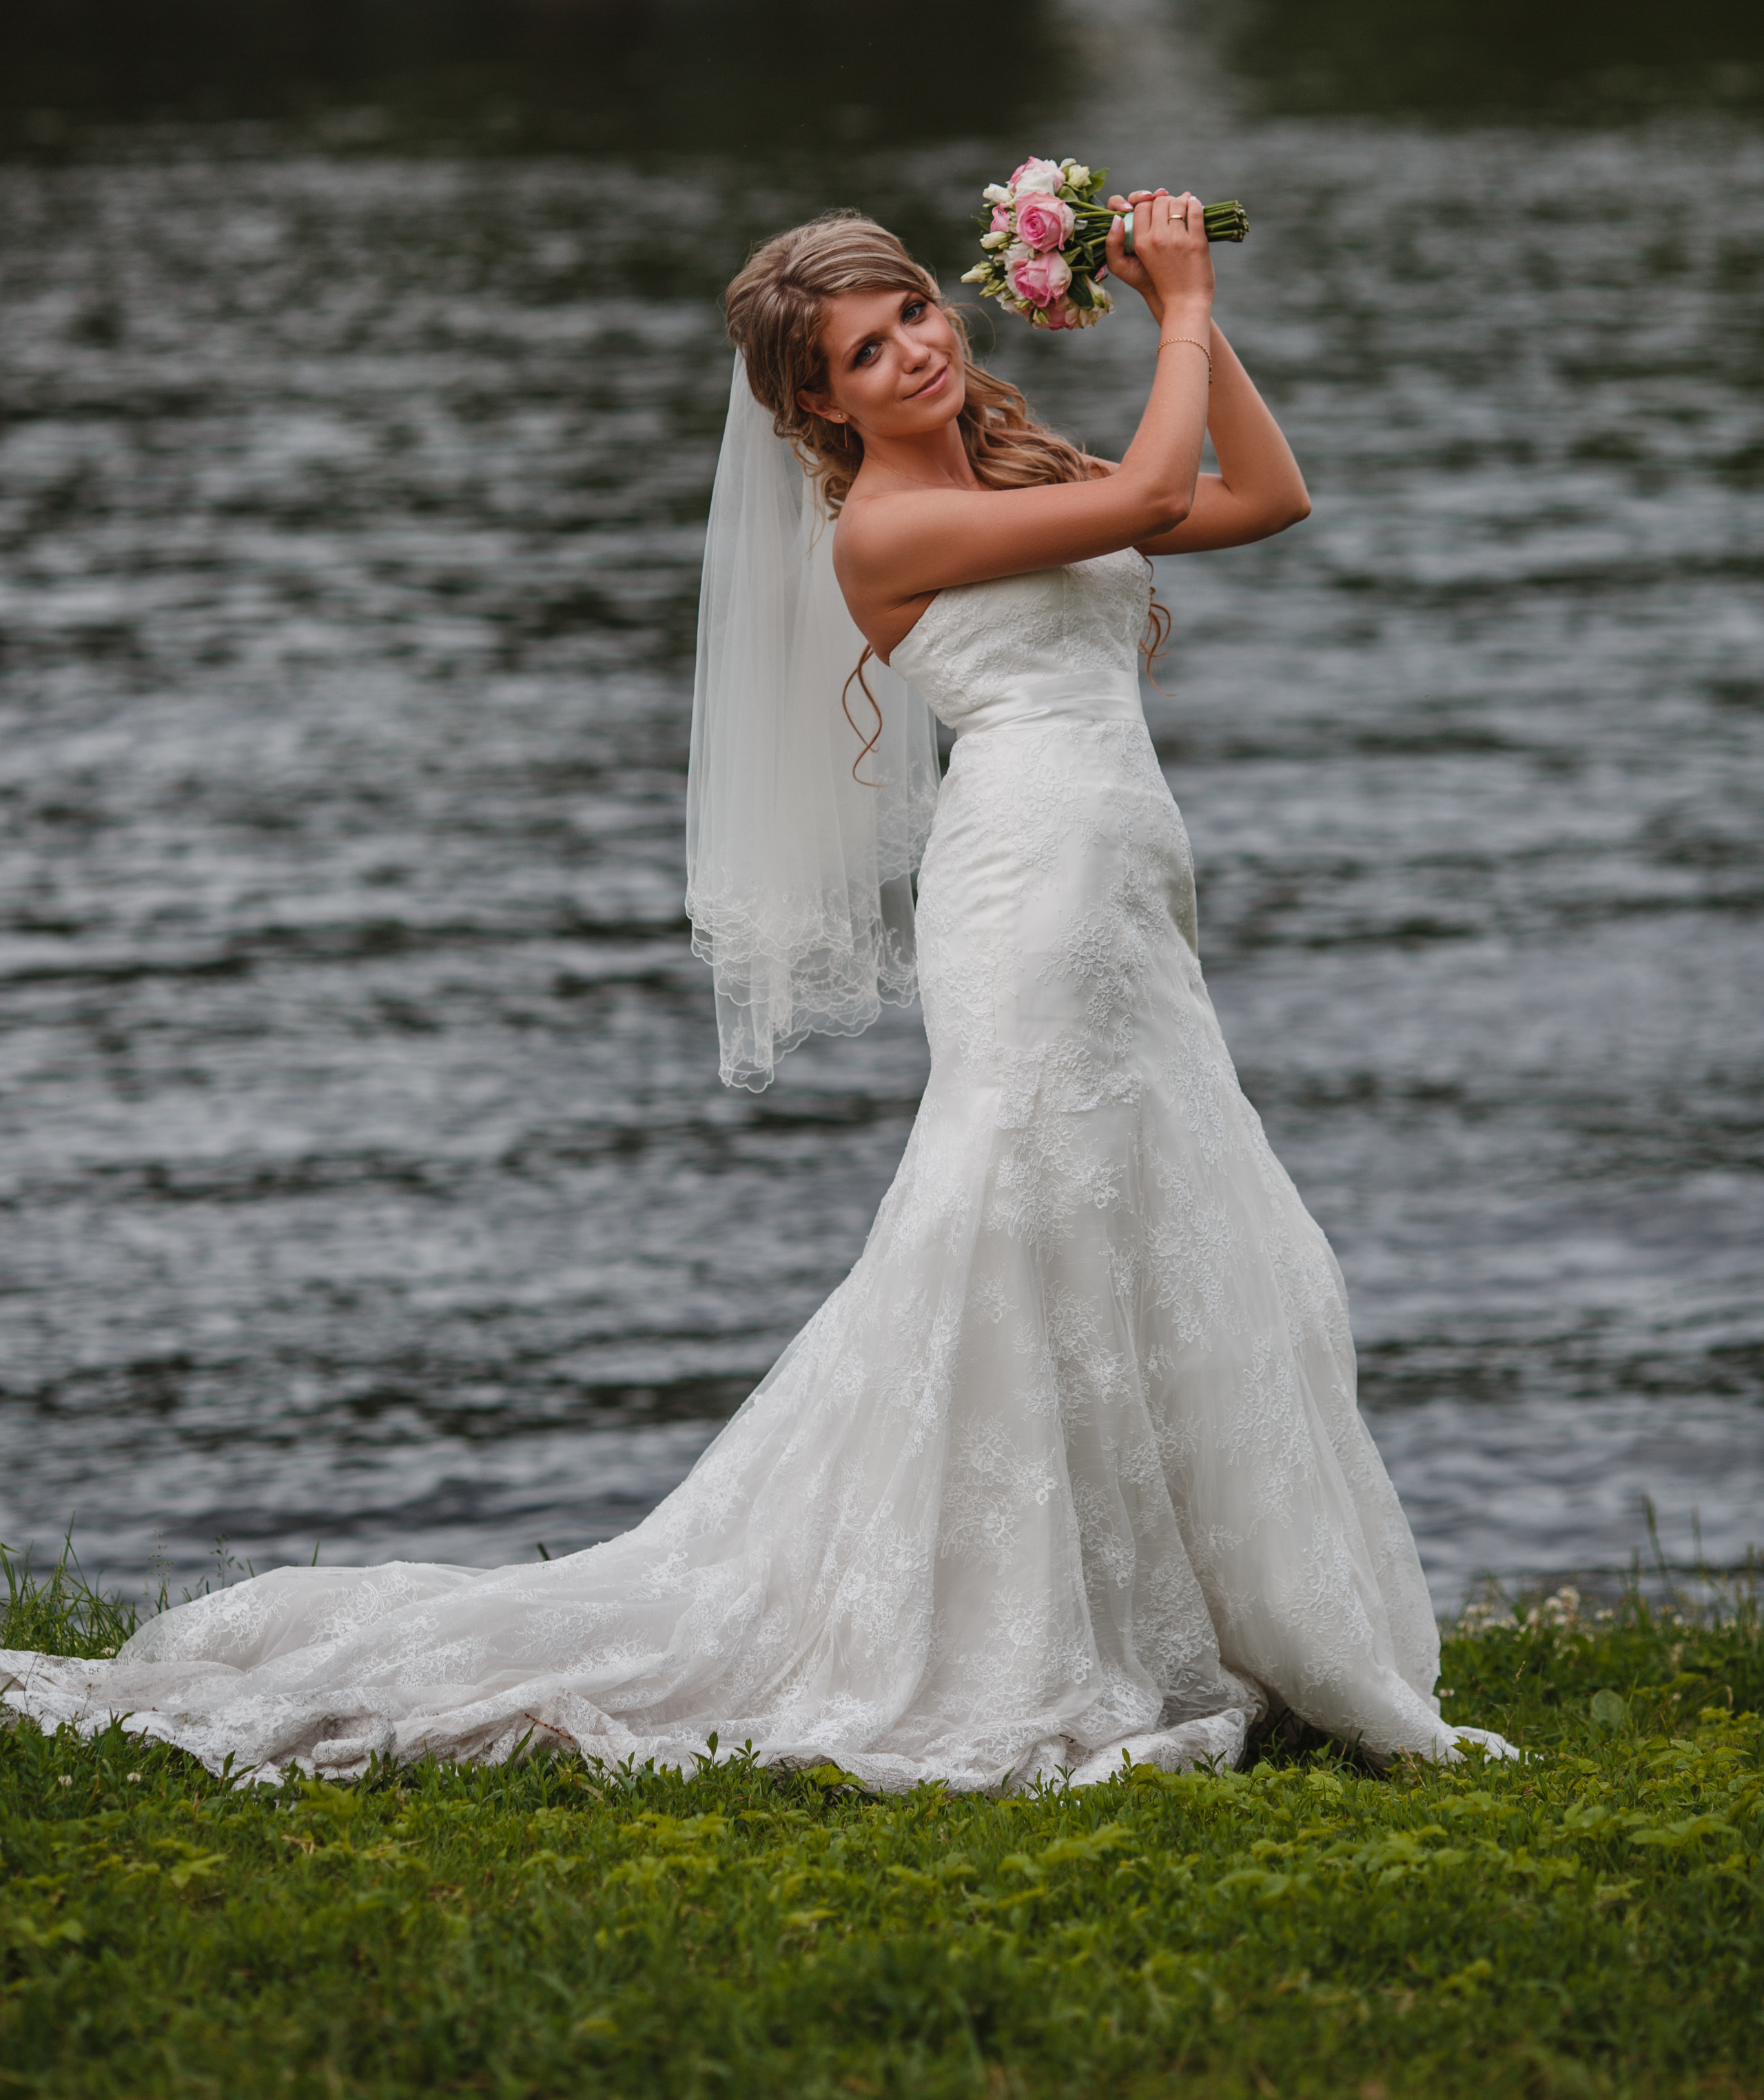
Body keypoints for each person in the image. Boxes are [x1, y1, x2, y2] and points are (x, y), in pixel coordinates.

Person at [1, 196, 1512, 1788]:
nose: (916, 349)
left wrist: (1178, 321)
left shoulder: (1018, 473)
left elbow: (1259, 496)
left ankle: (1171, 1605)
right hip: (1030, 894)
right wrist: (1182, 304)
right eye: (869, 348)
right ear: (820, 406)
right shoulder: (881, 530)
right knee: (1014, 1222)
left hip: (1129, 888)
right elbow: (1151, 486)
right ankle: (986, 1619)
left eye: (917, 313)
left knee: (1144, 1211)